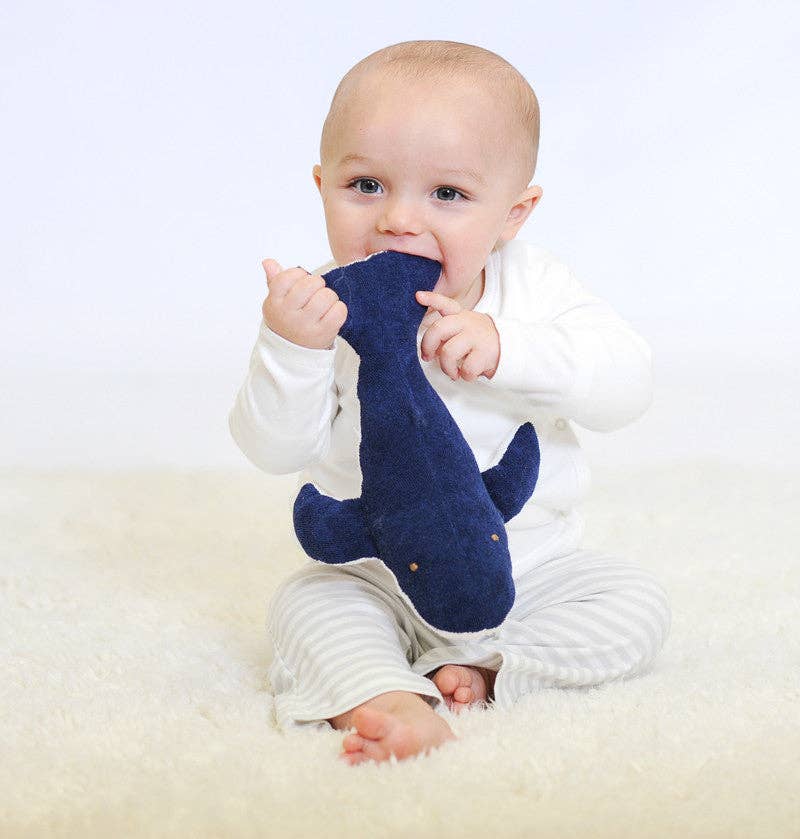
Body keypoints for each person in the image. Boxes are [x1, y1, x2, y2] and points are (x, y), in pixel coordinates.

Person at [229, 40, 671, 766]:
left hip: (529, 573)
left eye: (448, 194)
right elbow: (273, 449)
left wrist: (510, 348)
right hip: (377, 572)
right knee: (306, 602)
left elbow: (630, 385)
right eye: (366, 185)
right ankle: (388, 695)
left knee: (636, 604)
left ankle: (495, 666)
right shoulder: (320, 304)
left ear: (512, 213)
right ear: (321, 185)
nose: (399, 220)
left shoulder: (535, 289)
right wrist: (292, 347)